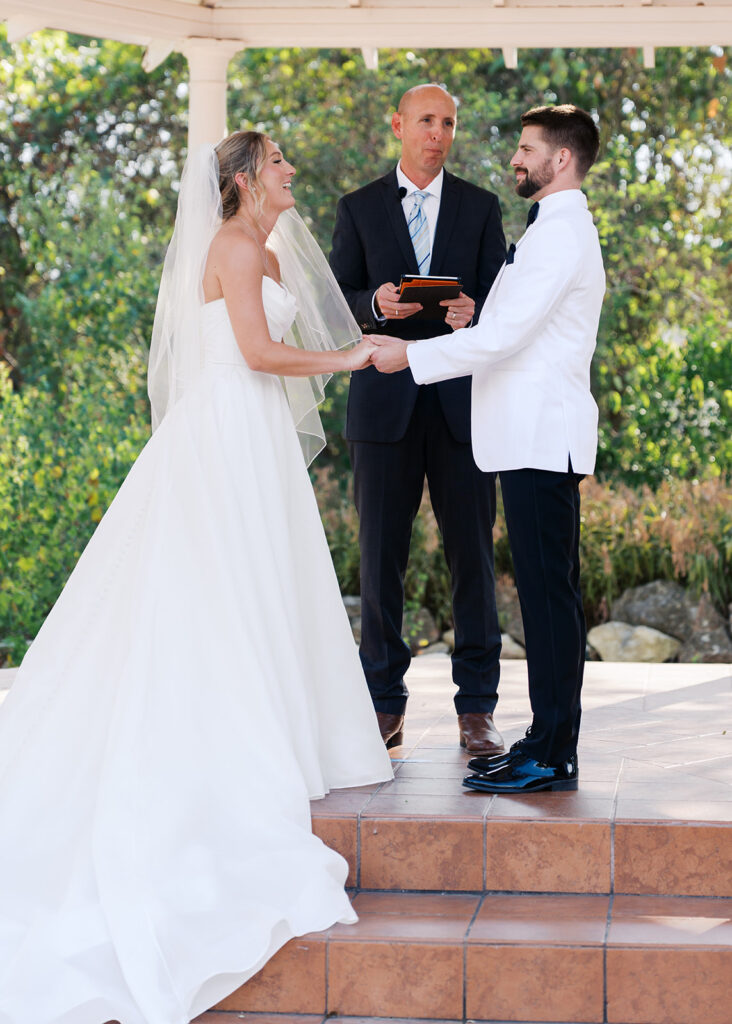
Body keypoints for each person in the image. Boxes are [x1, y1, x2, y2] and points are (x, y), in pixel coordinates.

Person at [0, 130, 392, 1024]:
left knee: (257, 582)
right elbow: (255, 353)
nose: (292, 171)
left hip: (252, 435)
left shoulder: (263, 248)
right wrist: (348, 357)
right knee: (214, 584)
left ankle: (281, 721)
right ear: (248, 179)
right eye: (279, 162)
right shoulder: (236, 246)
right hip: (223, 433)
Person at [370, 104, 605, 793]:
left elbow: (504, 340)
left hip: (541, 439)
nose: (515, 159)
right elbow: (508, 326)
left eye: (527, 149)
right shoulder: (549, 229)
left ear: (561, 159)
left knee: (549, 601)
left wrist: (409, 358)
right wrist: (473, 319)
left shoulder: (561, 235)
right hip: (528, 439)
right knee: (544, 597)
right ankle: (545, 739)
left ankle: (553, 754)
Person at [329, 83, 507, 755]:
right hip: (383, 409)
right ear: (398, 125)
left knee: (474, 561)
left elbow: (501, 298)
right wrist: (375, 303)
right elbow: (336, 297)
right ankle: (383, 705)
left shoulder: (481, 207)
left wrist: (474, 310)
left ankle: (478, 710)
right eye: (427, 120)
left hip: (463, 407)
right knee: (380, 563)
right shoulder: (357, 207)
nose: (438, 132)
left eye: (449, 122)